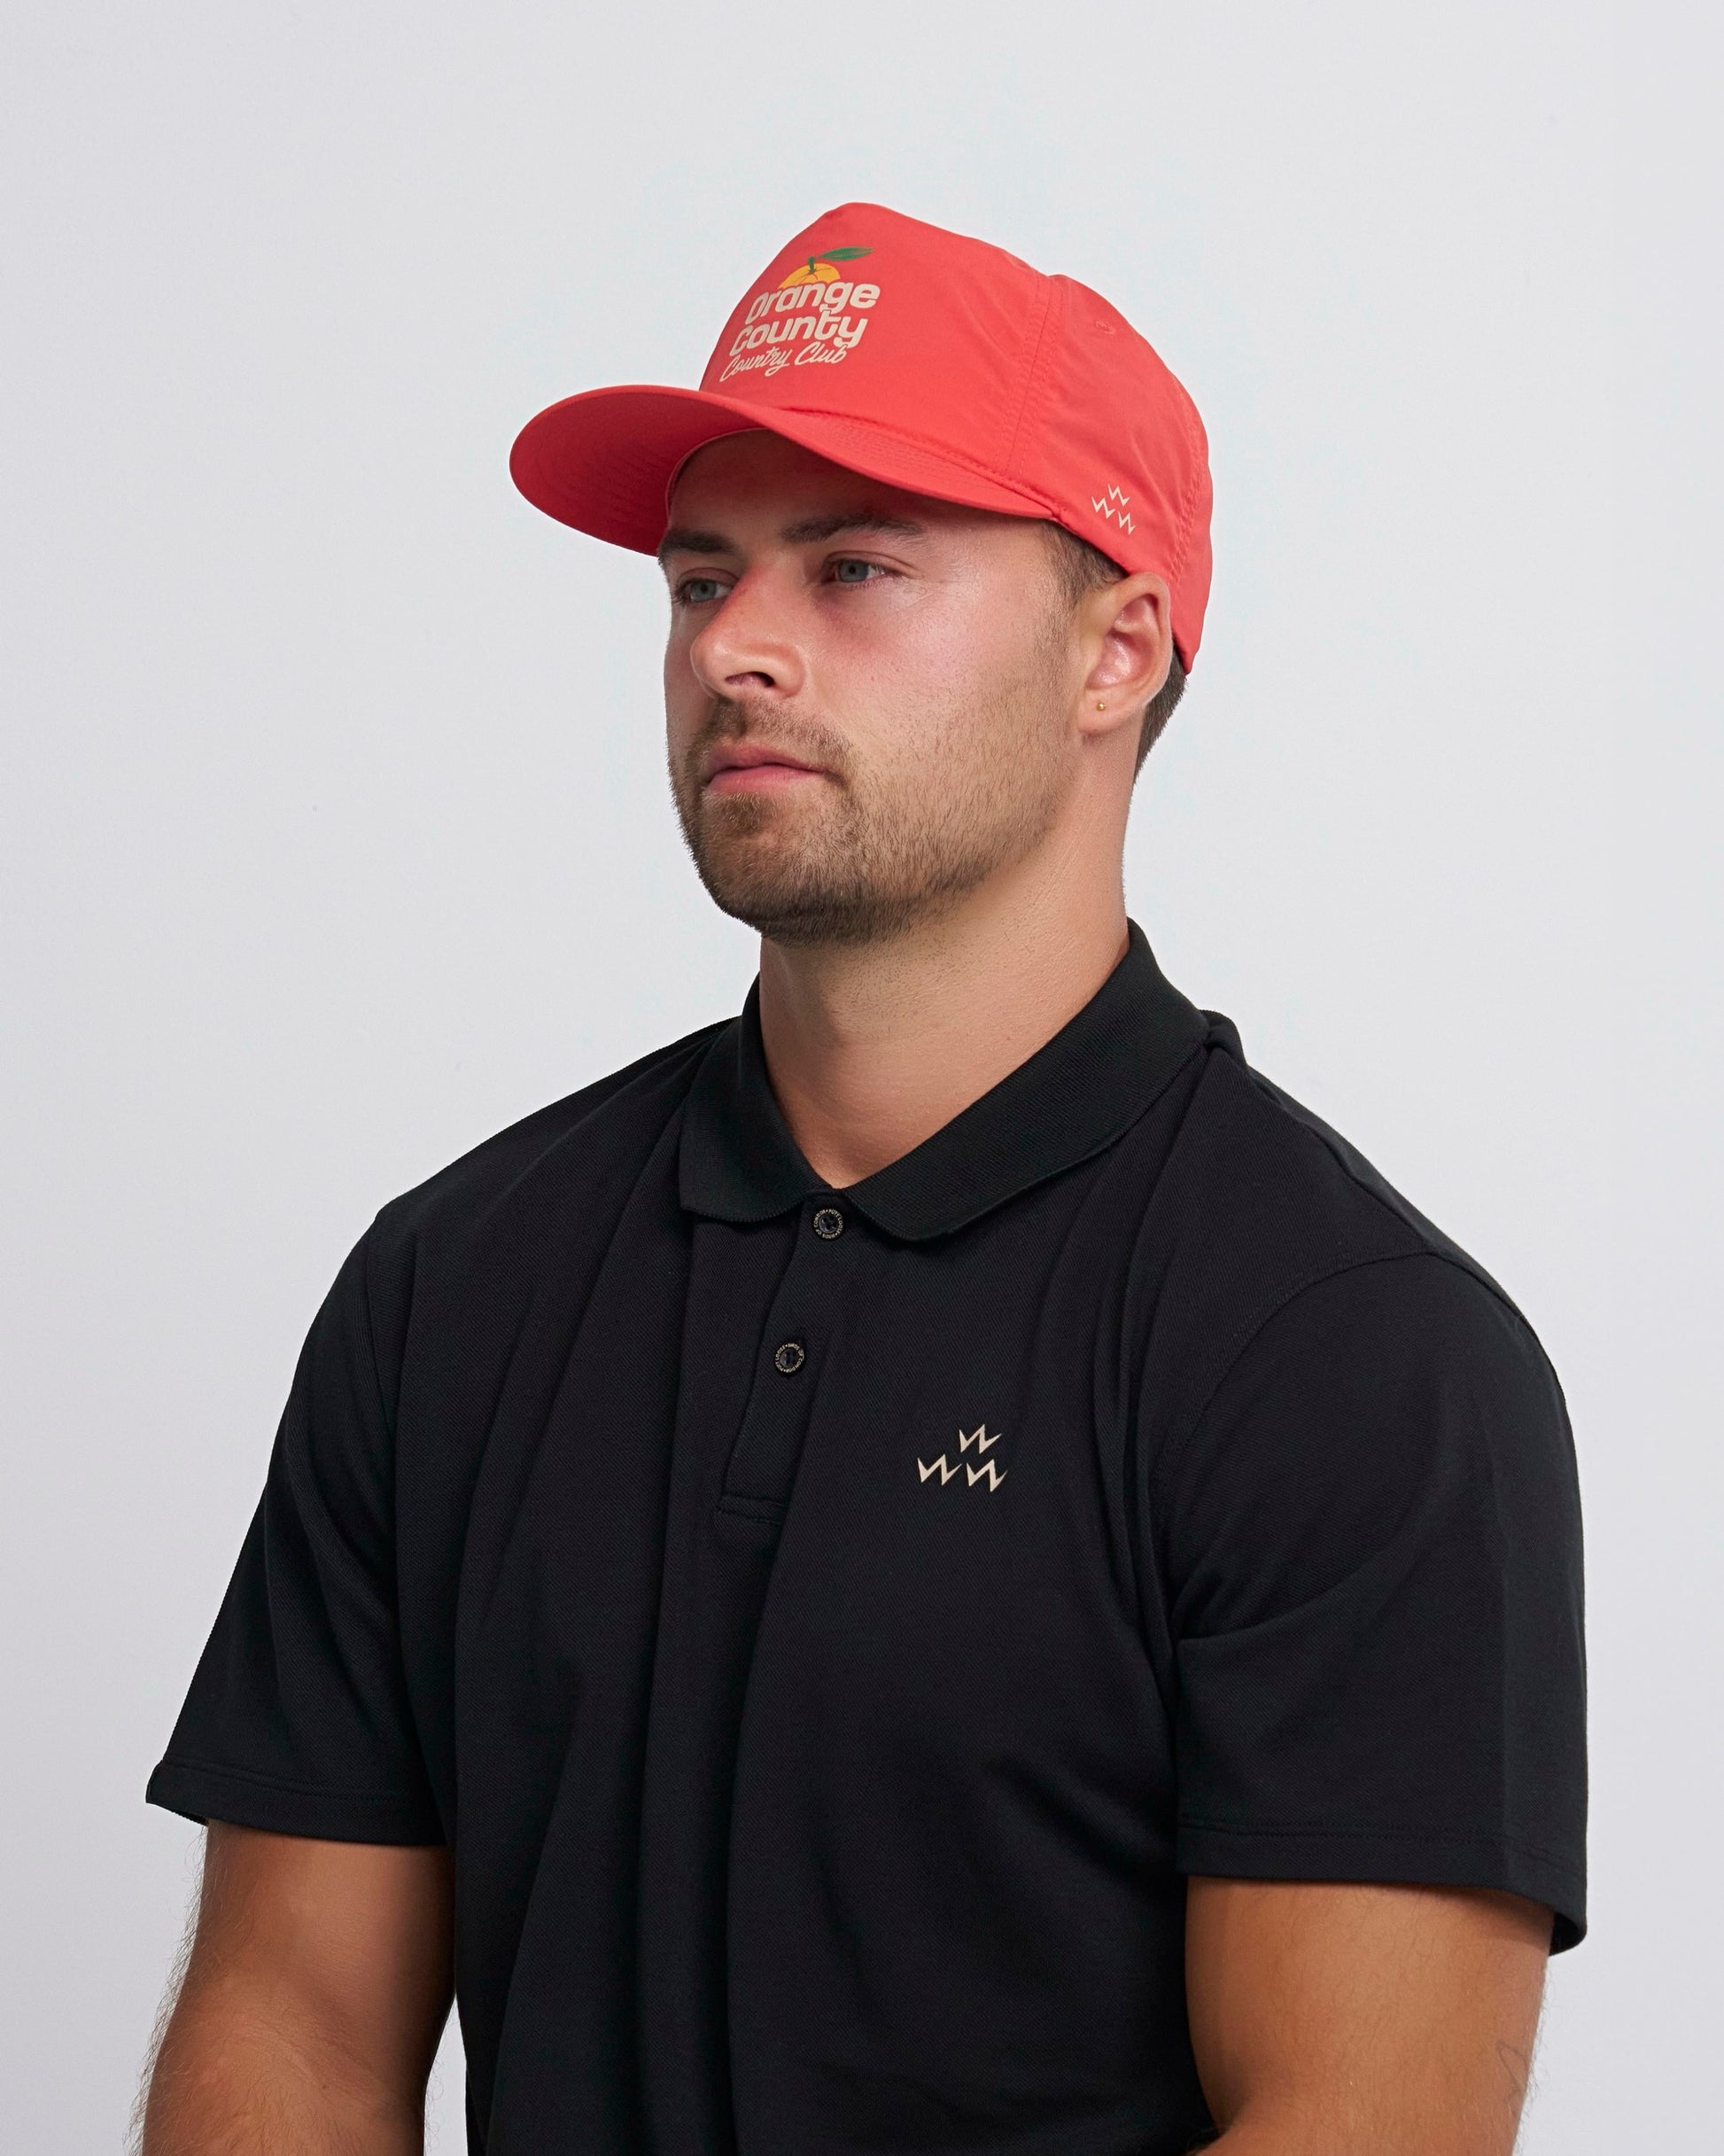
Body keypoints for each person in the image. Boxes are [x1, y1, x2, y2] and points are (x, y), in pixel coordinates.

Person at [138, 202, 1586, 2156]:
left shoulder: (1345, 1353)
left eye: (855, 567)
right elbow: (292, 2028)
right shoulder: (453, 1286)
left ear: (1115, 649)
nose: (731, 646)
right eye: (699, 578)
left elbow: (1357, 2122)